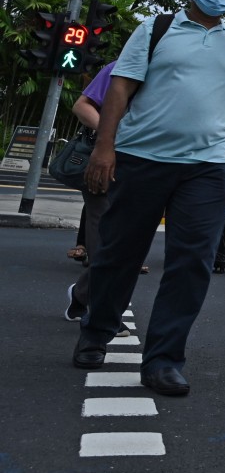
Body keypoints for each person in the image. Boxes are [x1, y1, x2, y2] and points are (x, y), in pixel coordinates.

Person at [72, 0, 225, 399]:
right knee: (119, 253)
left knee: (191, 263)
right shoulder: (156, 28)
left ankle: (164, 359)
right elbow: (120, 88)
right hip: (143, 158)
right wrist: (105, 148)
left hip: (209, 166)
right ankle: (96, 331)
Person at [63, 60, 143, 331]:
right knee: (104, 239)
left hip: (143, 170)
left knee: (124, 244)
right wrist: (111, 136)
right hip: (104, 162)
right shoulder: (122, 67)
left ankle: (81, 296)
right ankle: (102, 312)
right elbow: (82, 105)